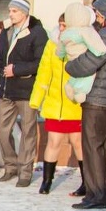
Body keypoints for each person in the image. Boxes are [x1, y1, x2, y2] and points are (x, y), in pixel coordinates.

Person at [64, 0, 106, 209]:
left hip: (98, 96)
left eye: (100, 14)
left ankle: (95, 195)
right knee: (105, 147)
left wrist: (71, 66)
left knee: (92, 146)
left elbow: (92, 61)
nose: (98, 18)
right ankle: (104, 193)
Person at [0, 0, 47, 187]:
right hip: (6, 90)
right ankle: (10, 166)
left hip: (26, 90)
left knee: (28, 132)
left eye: (14, 11)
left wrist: (17, 69)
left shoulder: (37, 33)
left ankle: (25, 172)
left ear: (24, 13)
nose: (10, 14)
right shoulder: (6, 32)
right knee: (2, 130)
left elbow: (40, 63)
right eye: (10, 11)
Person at [30, 12, 85, 196]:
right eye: (60, 25)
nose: (62, 29)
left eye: (65, 25)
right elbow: (43, 73)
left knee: (77, 142)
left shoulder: (81, 45)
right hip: (55, 104)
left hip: (75, 103)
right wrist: (36, 100)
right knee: (53, 141)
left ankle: (86, 181)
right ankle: (47, 181)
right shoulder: (51, 44)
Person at [57, 2, 106, 103]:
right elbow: (95, 44)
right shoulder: (86, 31)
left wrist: (61, 54)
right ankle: (80, 93)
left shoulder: (65, 33)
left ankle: (70, 86)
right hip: (83, 57)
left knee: (74, 77)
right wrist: (100, 51)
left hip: (71, 59)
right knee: (87, 77)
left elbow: (60, 50)